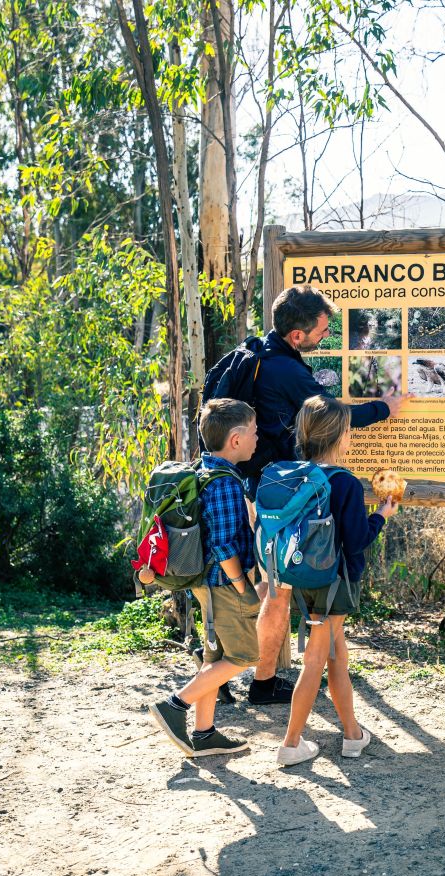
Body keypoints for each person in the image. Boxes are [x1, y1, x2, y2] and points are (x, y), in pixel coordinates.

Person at [229, 286, 404, 705]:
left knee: (275, 585)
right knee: (288, 585)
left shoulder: (259, 353)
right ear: (296, 335)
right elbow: (333, 412)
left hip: (267, 484)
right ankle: (296, 676)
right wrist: (385, 407)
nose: (325, 338)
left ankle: (260, 678)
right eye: (322, 332)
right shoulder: (287, 371)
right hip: (298, 486)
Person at [276, 395, 397, 766]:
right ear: (340, 436)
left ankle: (352, 734)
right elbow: (357, 539)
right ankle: (291, 742)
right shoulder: (344, 482)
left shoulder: (296, 474)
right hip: (337, 581)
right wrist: (381, 515)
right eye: (348, 431)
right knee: (316, 658)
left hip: (304, 576)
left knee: (336, 657)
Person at [147, 398, 263, 757]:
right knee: (243, 656)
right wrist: (243, 587)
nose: (258, 438)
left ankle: (204, 733)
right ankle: (174, 705)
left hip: (205, 583)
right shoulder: (226, 482)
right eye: (254, 432)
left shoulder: (203, 470)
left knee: (215, 657)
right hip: (223, 583)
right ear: (235, 440)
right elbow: (224, 544)